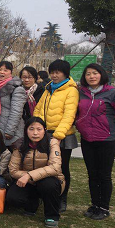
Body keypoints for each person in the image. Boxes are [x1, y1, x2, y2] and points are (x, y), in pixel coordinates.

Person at [76, 63, 115, 220]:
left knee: (104, 174)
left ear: (101, 75)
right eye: (88, 74)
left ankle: (104, 207)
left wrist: (114, 126)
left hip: (106, 139)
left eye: (95, 73)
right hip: (87, 139)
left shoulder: (112, 93)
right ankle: (95, 204)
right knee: (92, 174)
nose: (92, 76)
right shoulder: (82, 93)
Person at [34, 59, 79, 212]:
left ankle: (61, 198)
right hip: (45, 133)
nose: (54, 75)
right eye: (52, 72)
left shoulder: (71, 90)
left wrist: (58, 135)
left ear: (65, 74)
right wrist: (37, 127)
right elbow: (38, 109)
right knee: (44, 165)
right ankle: (45, 194)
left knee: (61, 168)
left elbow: (69, 115)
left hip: (62, 135)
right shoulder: (48, 89)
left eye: (57, 72)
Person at [6, 117, 63, 228]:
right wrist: (28, 177)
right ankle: (32, 203)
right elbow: (13, 170)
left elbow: (55, 167)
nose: (35, 133)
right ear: (26, 130)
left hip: (48, 179)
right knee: (13, 198)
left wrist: (29, 175)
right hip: (28, 181)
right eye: (31, 129)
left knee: (48, 185)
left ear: (44, 130)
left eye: (39, 129)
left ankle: (52, 216)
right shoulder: (19, 144)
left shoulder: (52, 143)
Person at [0, 61, 26, 149]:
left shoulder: (17, 89)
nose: (2, 72)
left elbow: (16, 112)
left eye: (5, 70)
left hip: (11, 131)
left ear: (10, 72)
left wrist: (9, 131)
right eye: (0, 69)